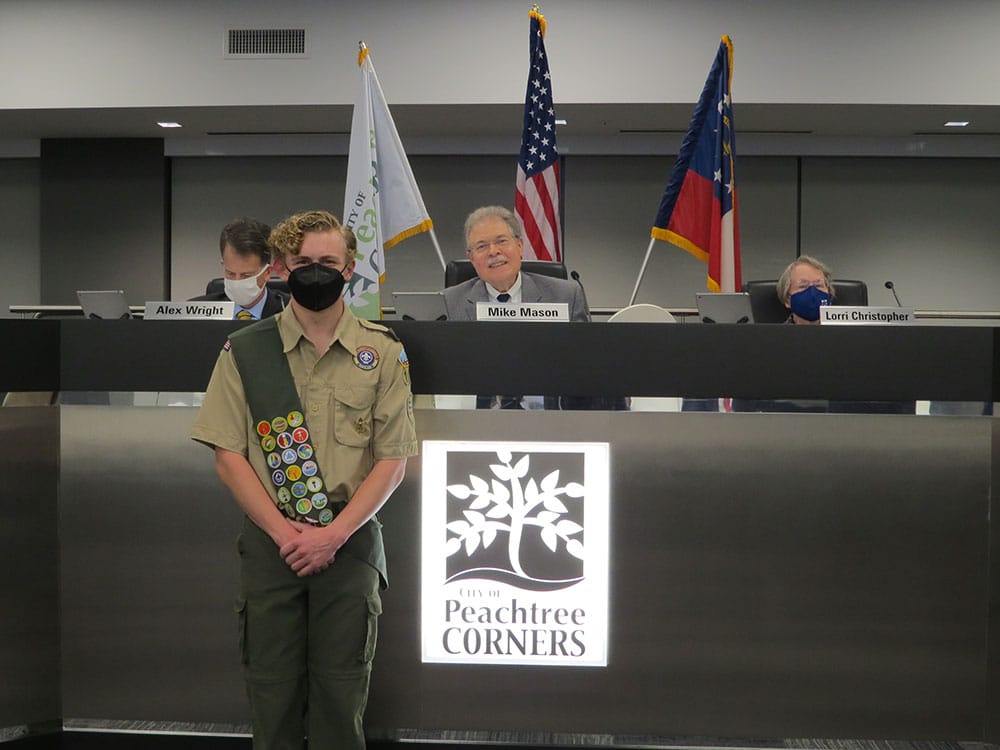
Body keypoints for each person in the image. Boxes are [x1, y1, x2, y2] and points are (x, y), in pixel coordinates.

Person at [190, 209, 417, 750]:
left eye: (329, 262)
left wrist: (331, 535)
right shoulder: (245, 350)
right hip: (273, 547)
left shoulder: (381, 352)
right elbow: (228, 455)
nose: (317, 272)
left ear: (351, 267)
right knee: (272, 696)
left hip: (350, 543)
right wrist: (287, 535)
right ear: (281, 268)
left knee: (343, 697)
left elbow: (393, 459)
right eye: (304, 262)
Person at [442, 205, 588, 322]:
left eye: (501, 241)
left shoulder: (566, 296)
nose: (493, 251)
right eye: (482, 246)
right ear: (471, 257)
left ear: (520, 246)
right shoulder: (449, 303)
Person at [191, 217, 289, 320]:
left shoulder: (290, 311)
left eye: (246, 275)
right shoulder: (194, 313)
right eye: (230, 273)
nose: (237, 282)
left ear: (267, 273)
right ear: (223, 265)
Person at [777, 254, 835, 325]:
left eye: (818, 285)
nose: (813, 292)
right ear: (787, 299)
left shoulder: (846, 334)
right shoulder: (774, 335)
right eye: (803, 286)